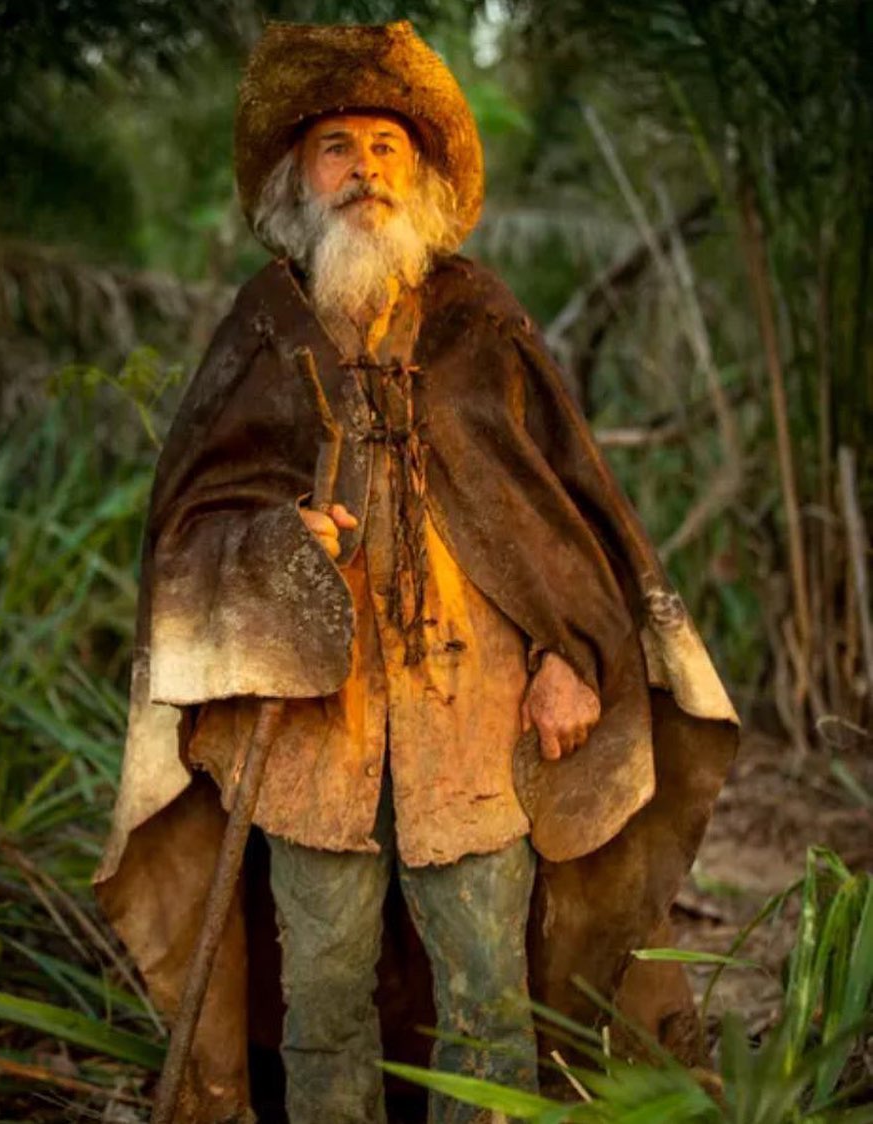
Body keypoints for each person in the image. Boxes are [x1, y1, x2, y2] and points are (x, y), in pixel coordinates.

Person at [95, 20, 739, 1124]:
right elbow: (191, 524)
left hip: (473, 722)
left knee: (488, 997)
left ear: (423, 172)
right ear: (300, 180)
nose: (364, 170)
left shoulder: (479, 320)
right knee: (323, 1000)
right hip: (310, 738)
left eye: (385, 146)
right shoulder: (261, 329)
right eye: (336, 148)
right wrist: (277, 549)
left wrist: (567, 653)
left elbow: (559, 519)